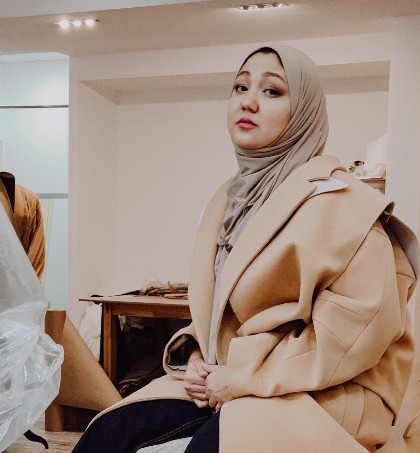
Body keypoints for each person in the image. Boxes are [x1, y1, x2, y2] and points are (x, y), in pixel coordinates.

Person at [72, 45, 418, 453]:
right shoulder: (230, 202)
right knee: (106, 434)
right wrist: (196, 354)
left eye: (272, 91)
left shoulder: (345, 205)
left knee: (214, 447)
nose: (248, 102)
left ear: (303, 112)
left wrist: (241, 376)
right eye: (240, 87)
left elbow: (350, 338)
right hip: (235, 383)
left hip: (325, 391)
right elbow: (224, 316)